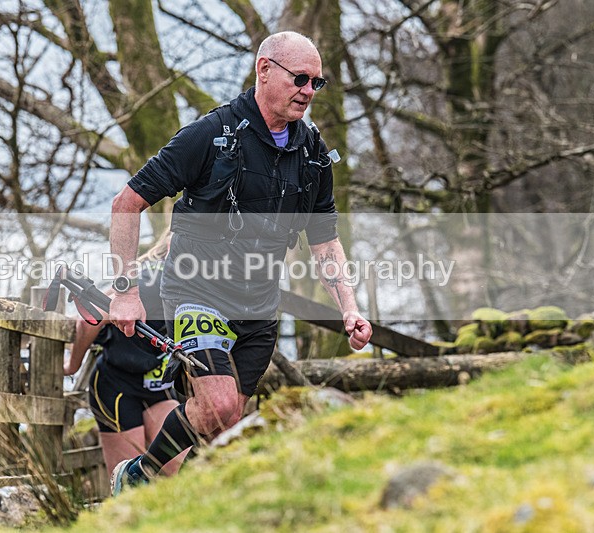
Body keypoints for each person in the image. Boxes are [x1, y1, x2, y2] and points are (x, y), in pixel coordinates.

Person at [107, 31, 373, 493]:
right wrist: (125, 291)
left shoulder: (312, 152)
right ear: (264, 70)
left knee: (224, 423)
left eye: (317, 82)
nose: (309, 90)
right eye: (301, 78)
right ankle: (139, 479)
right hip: (197, 293)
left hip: (258, 307)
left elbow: (325, 241)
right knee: (219, 403)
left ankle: (172, 499)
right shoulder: (209, 135)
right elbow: (126, 204)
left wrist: (349, 307)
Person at [64, 232, 188, 479]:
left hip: (156, 384)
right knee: (126, 479)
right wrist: (72, 365)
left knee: (176, 470)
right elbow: (91, 318)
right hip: (116, 386)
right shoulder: (152, 280)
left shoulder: (194, 285)